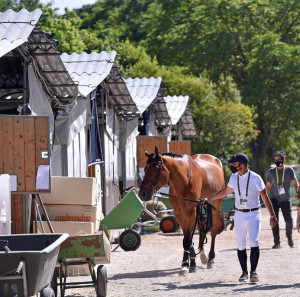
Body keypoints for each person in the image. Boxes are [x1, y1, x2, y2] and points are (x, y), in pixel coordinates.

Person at [205, 153, 277, 283]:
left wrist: (272, 215)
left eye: (234, 163)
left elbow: (265, 197)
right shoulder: (234, 177)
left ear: (242, 165)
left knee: (254, 242)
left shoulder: (255, 178)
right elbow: (225, 192)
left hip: (254, 214)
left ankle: (253, 272)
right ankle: (244, 272)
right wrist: (209, 198)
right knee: (241, 244)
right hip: (239, 215)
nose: (232, 165)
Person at [265, 151, 299, 248]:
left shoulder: (289, 170)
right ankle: (277, 242)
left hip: (286, 200)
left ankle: (289, 237)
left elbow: (295, 182)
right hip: (274, 199)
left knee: (289, 221)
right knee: (274, 220)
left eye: (279, 160)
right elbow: (268, 185)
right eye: (275, 160)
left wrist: (297, 192)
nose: (277, 162)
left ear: (283, 159)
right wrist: (265, 197)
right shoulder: (271, 171)